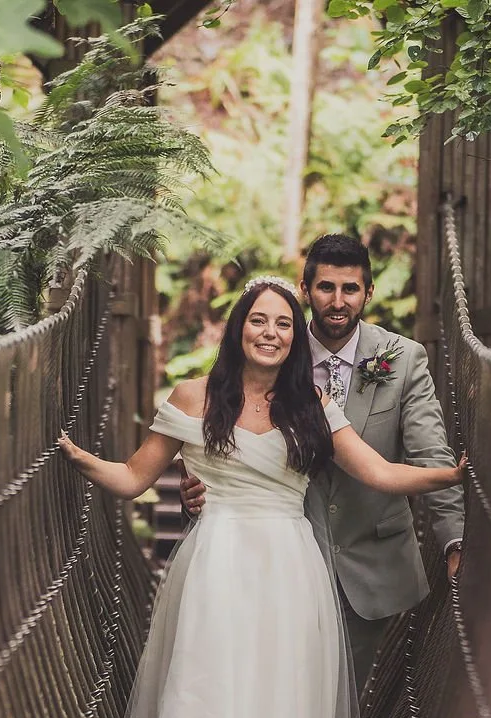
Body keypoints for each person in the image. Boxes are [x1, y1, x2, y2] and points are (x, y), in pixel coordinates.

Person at [57, 278, 464, 718]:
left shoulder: (312, 405)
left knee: (275, 709)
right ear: (239, 327)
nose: (269, 332)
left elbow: (380, 473)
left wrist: (448, 478)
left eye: (281, 323)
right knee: (208, 699)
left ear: (291, 334)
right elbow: (133, 478)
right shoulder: (194, 397)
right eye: (258, 320)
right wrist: (75, 458)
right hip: (216, 568)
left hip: (286, 573)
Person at [179, 234, 466, 686]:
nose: (338, 301)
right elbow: (223, 425)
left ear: (368, 293)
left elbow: (431, 453)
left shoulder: (404, 360)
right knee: (274, 685)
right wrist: (195, 483)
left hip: (370, 561)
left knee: (342, 702)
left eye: (350, 289)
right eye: (326, 288)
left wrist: (454, 540)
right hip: (282, 556)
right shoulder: (275, 351)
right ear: (306, 290)